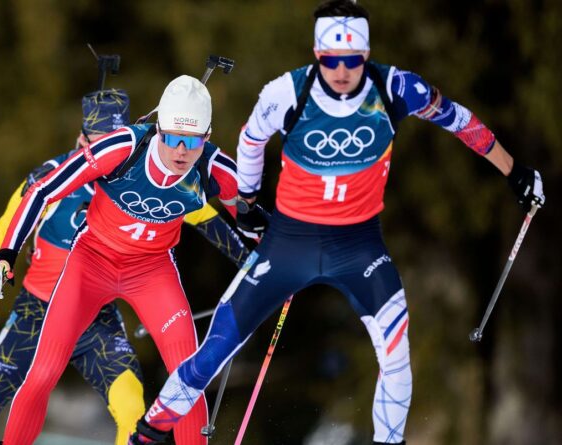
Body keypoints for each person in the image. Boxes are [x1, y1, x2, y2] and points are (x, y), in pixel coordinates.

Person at [128, 1, 547, 444]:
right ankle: (147, 436)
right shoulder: (287, 92)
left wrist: (513, 170)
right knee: (214, 350)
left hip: (359, 247)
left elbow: (458, 120)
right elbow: (251, 139)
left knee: (396, 357)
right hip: (290, 244)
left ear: (365, 55)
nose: (342, 71)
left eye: (351, 61)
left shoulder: (395, 87)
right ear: (317, 54)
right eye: (331, 61)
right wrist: (247, 201)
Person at [0, 89, 249, 445]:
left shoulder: (138, 168)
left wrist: (253, 264)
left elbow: (205, 216)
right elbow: (3, 234)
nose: (102, 150)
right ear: (81, 140)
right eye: (95, 142)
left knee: (132, 406)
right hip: (38, 310)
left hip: (98, 316)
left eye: (110, 140)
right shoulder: (61, 173)